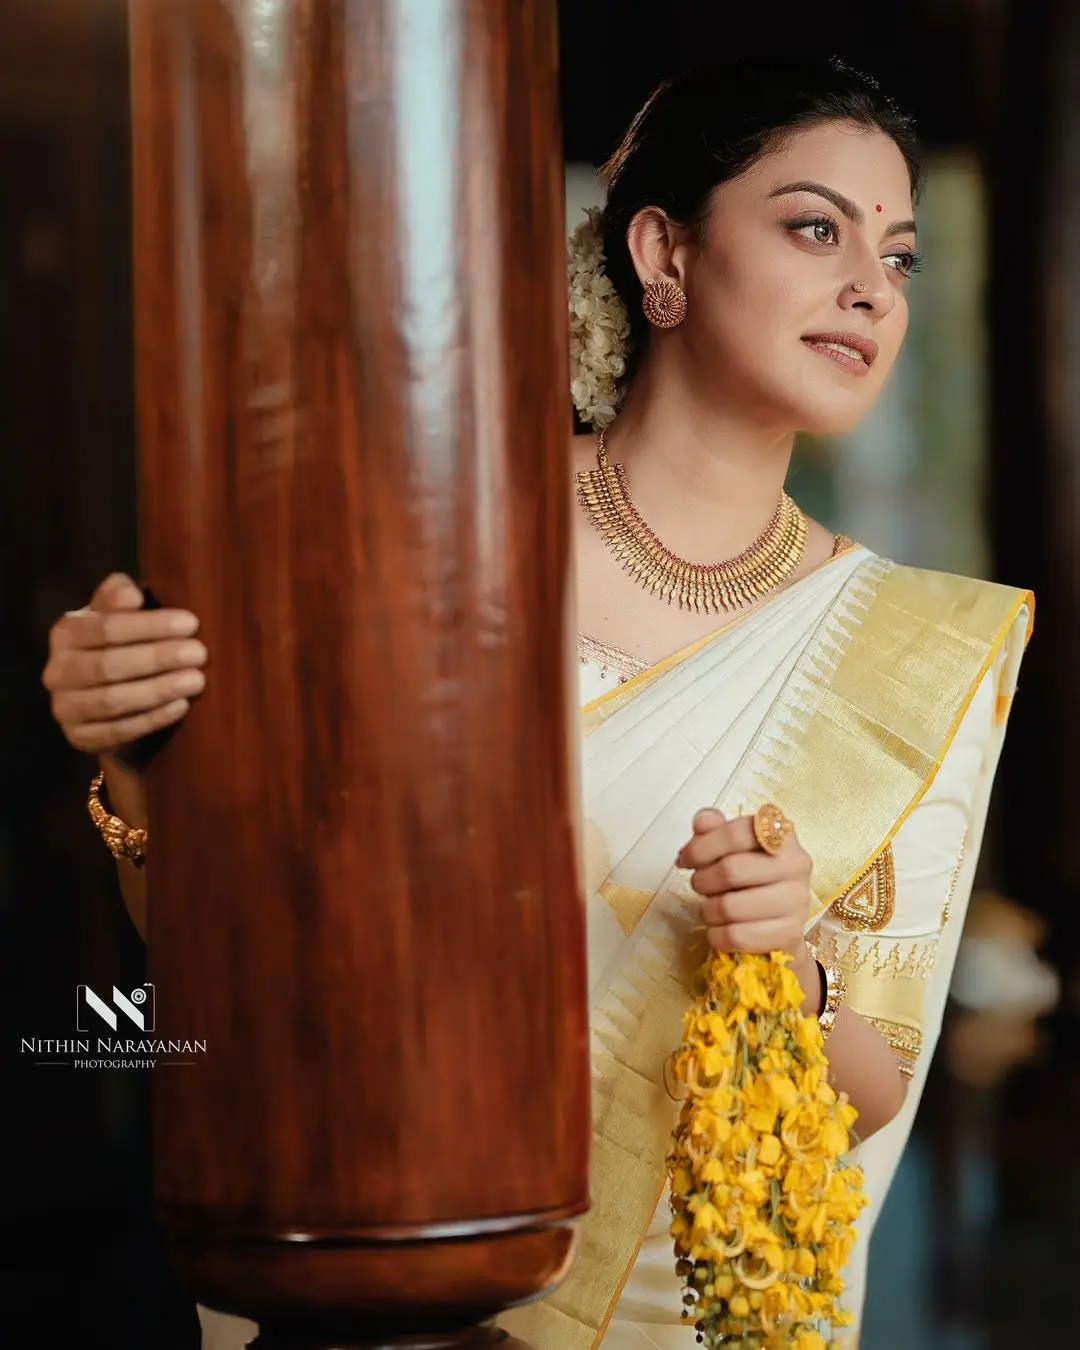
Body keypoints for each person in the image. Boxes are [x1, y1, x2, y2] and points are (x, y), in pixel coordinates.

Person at [43, 55, 1031, 1350]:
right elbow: (217, 941)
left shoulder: (918, 642)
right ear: (663, 252)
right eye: (813, 227)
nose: (870, 289)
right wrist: (131, 758)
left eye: (898, 256)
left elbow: (869, 1091)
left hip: (674, 1302)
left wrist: (788, 969)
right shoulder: (424, 525)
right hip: (362, 1268)